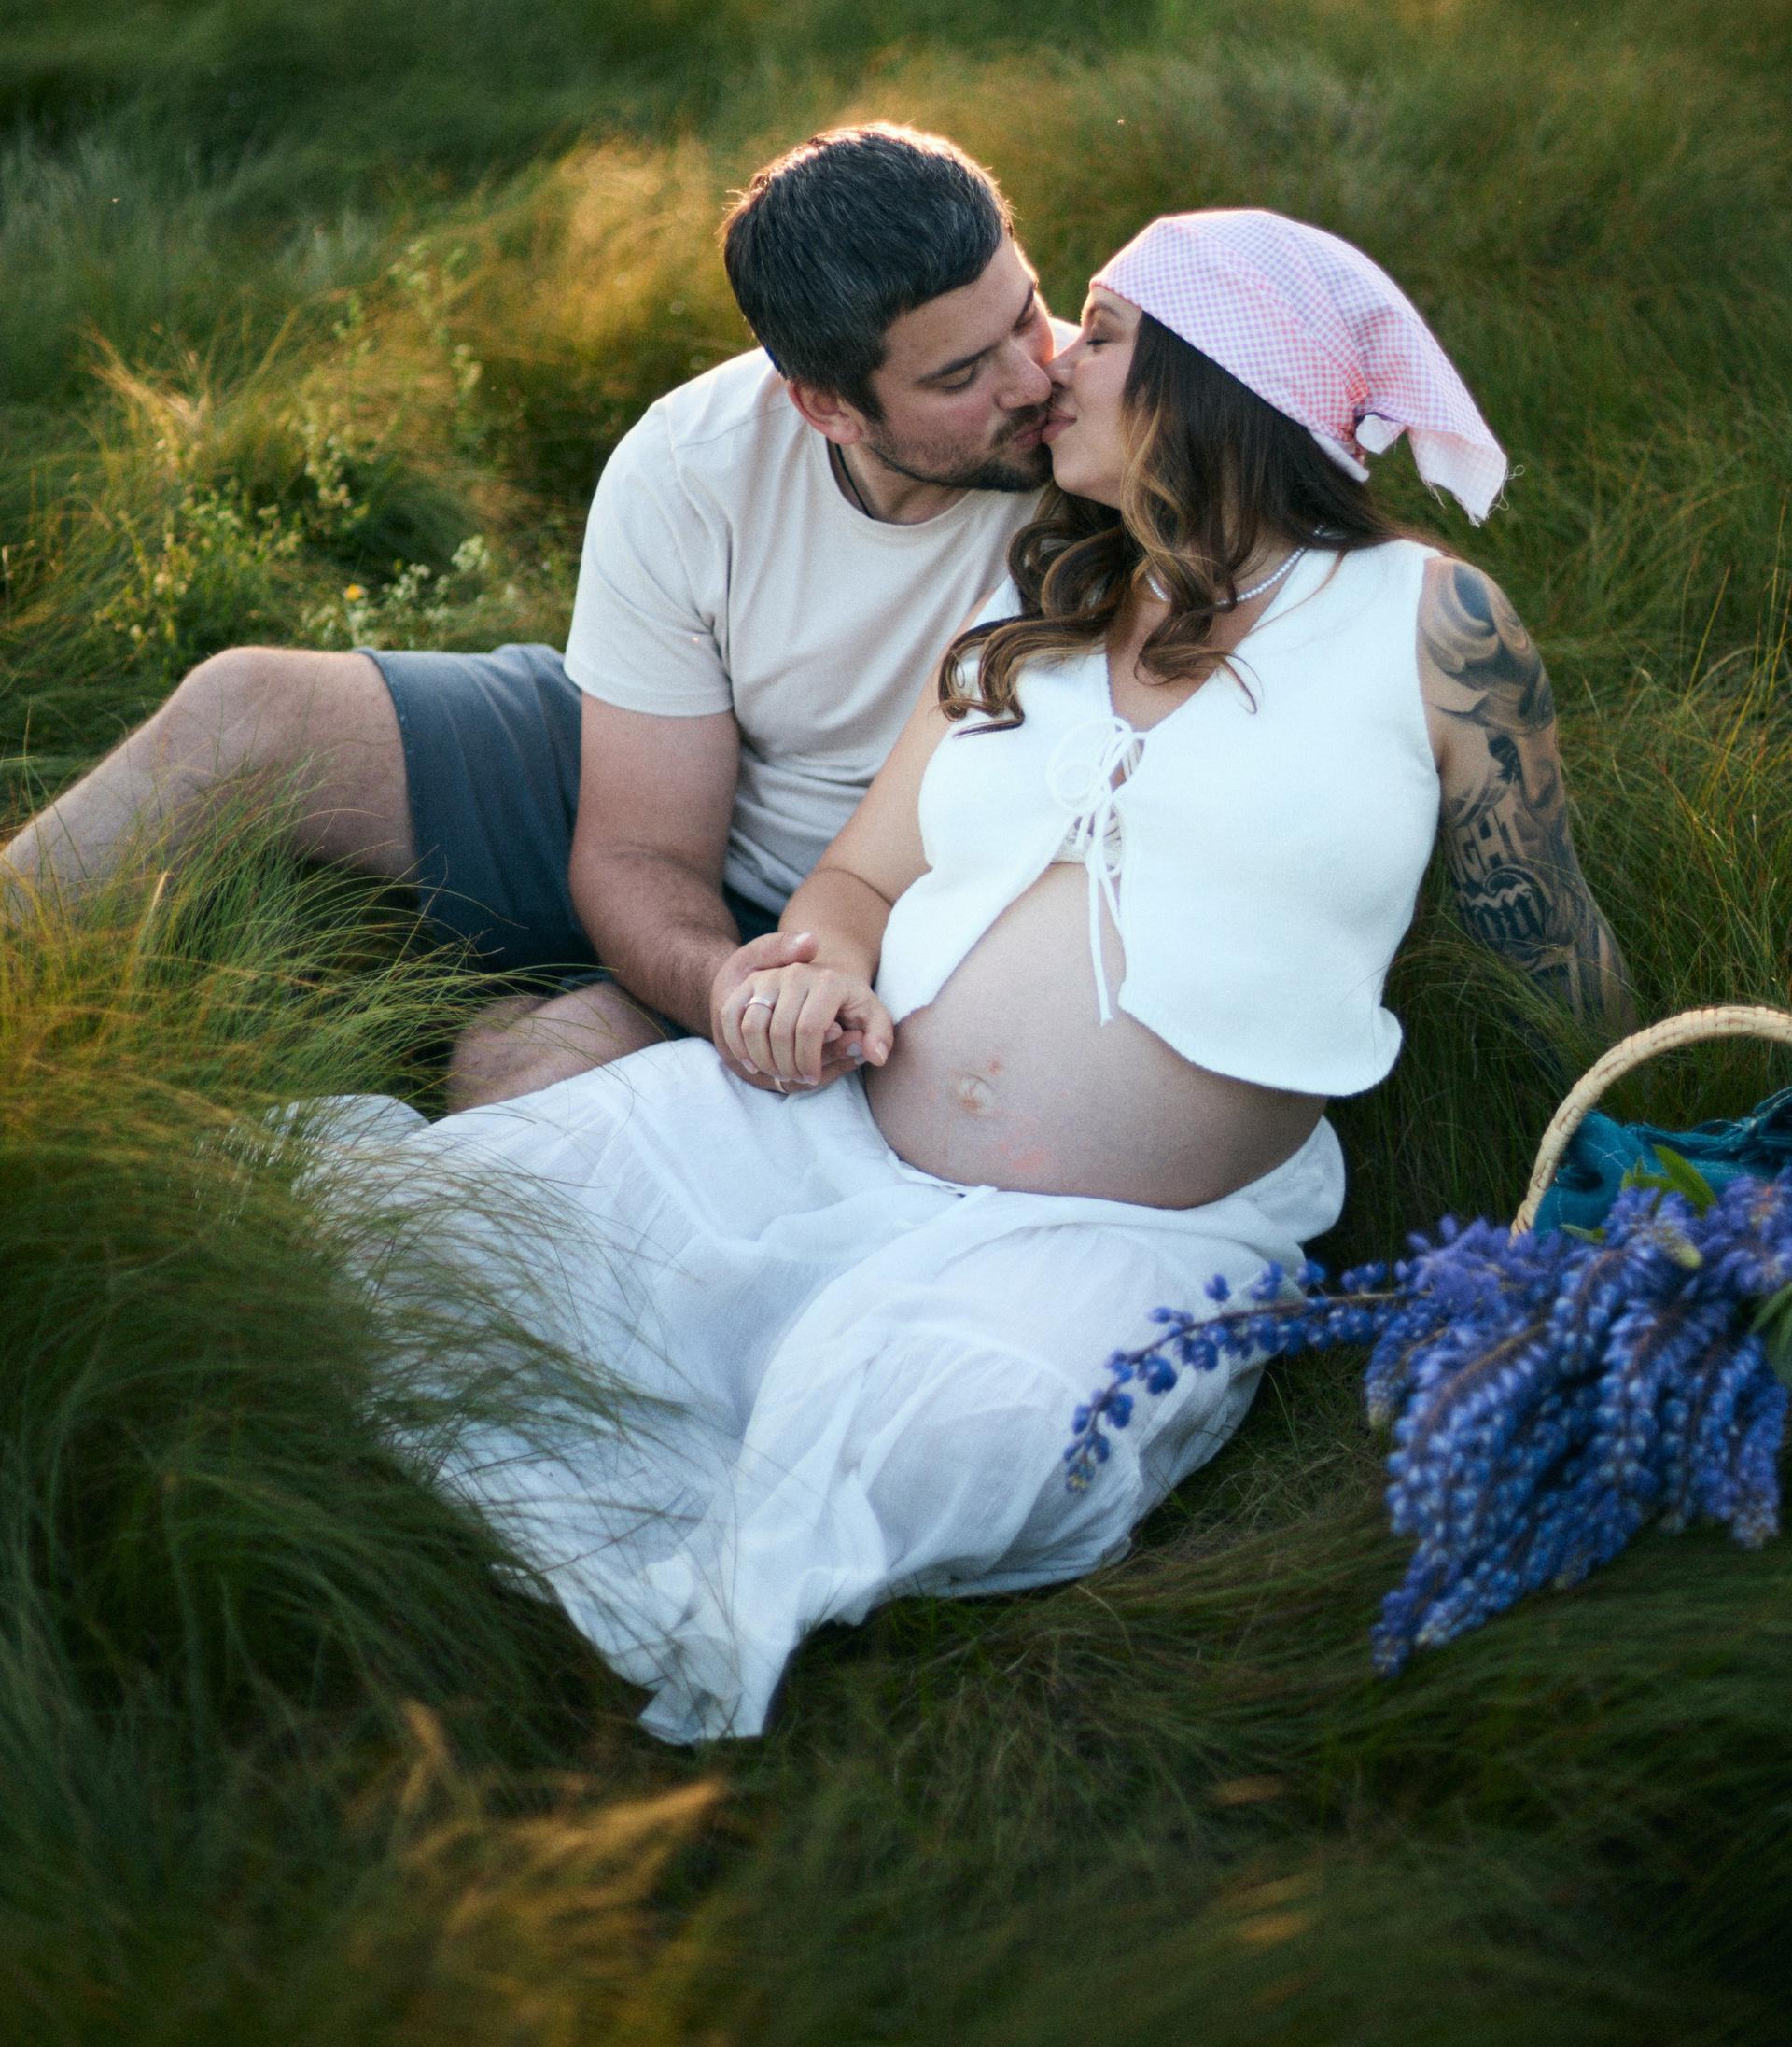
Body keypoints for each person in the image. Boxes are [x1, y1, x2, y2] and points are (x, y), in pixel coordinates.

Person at [337, 208, 1631, 1745]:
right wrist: (812, 969)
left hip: (1133, 1233)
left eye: (1101, 331)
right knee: (445, 1239)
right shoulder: (1047, 594)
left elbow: (1550, 937)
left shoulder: (1427, 620)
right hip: (837, 1133)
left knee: (948, 1432)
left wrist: (1666, 1167)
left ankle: (708, 1566)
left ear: (1223, 373)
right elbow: (858, 880)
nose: (1054, 366)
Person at [0, 125, 1058, 1107]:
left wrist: (776, 992)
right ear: (826, 406)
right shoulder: (694, 468)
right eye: (962, 374)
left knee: (526, 1077)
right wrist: (719, 984)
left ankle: (531, 1024)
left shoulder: (1106, 439)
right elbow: (640, 848)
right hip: (677, 804)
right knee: (245, 710)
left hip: (892, 907)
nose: (1031, 380)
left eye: (1026, 315)